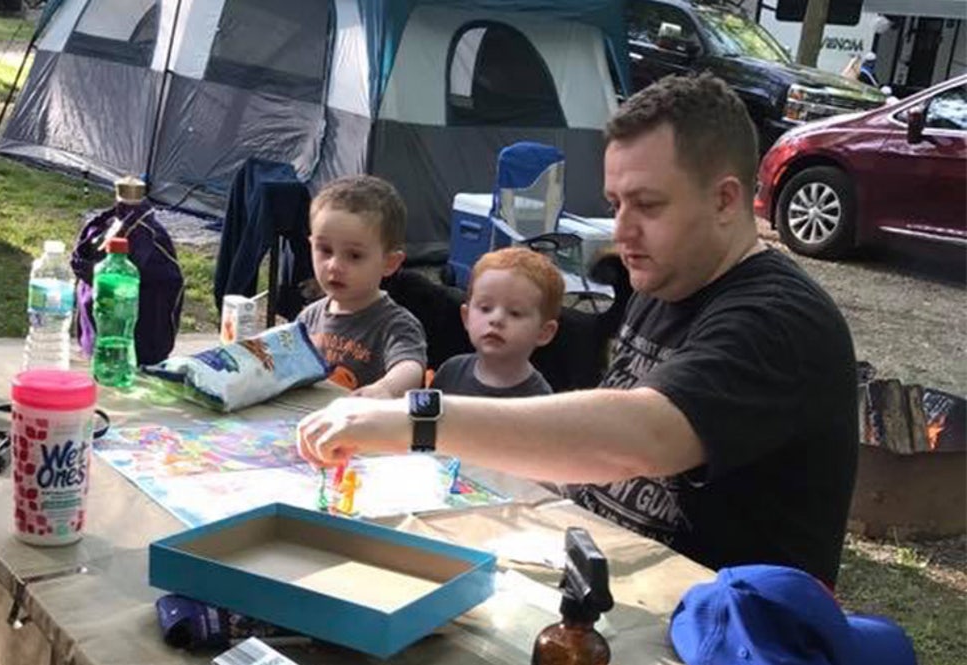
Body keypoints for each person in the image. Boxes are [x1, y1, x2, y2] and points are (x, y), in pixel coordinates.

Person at [297, 74, 858, 588]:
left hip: (720, 636)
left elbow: (640, 437)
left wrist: (413, 421)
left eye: (648, 205)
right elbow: (587, 463)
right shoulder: (665, 283)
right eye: (616, 203)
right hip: (597, 578)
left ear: (725, 199)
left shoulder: (781, 320)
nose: (622, 229)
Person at [297, 175, 427, 399]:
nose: (334, 265)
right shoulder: (308, 317)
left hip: (364, 427)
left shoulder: (395, 324)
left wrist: (385, 389)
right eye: (325, 250)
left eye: (354, 255)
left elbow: (410, 367)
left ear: (389, 263)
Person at [431, 248, 562, 397]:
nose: (496, 319)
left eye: (515, 313)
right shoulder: (451, 372)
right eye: (485, 308)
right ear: (466, 317)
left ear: (544, 332)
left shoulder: (539, 400)